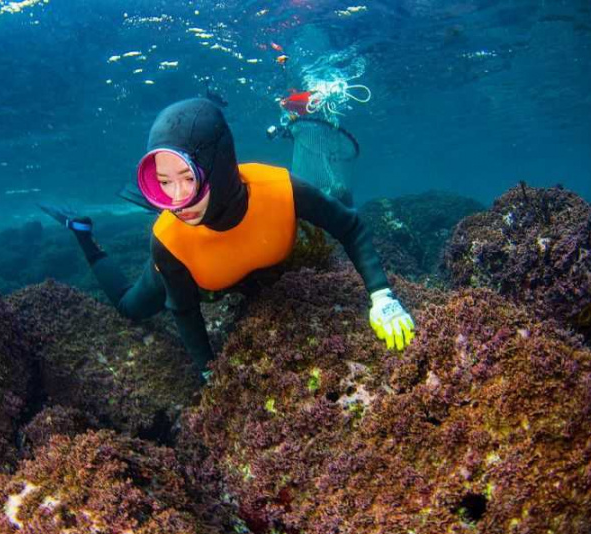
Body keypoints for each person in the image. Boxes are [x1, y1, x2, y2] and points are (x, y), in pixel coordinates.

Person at [64, 98, 414, 374]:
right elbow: (184, 312)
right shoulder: (169, 240)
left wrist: (382, 297)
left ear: (217, 166)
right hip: (189, 268)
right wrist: (208, 373)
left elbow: (349, 227)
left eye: (187, 178)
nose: (176, 201)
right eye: (164, 182)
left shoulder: (280, 189)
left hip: (242, 262)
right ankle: (82, 234)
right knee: (130, 307)